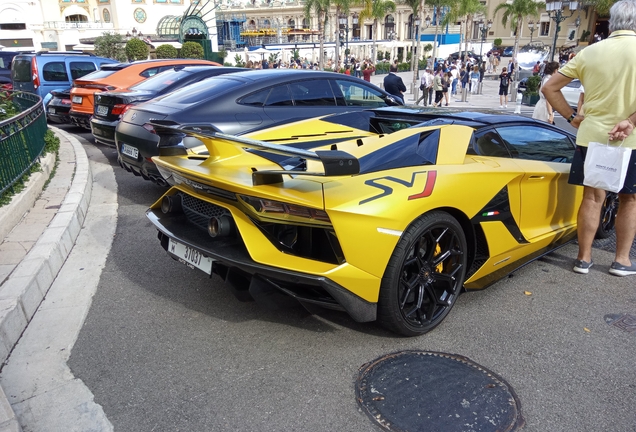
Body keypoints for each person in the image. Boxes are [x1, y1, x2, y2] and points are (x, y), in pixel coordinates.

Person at [542, 0, 636, 276]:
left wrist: (572, 117)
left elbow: (549, 88)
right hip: (631, 139)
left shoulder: (590, 52)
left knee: (592, 197)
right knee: (629, 199)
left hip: (592, 135)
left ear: (612, 22)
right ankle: (621, 260)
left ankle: (583, 258)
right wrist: (630, 121)